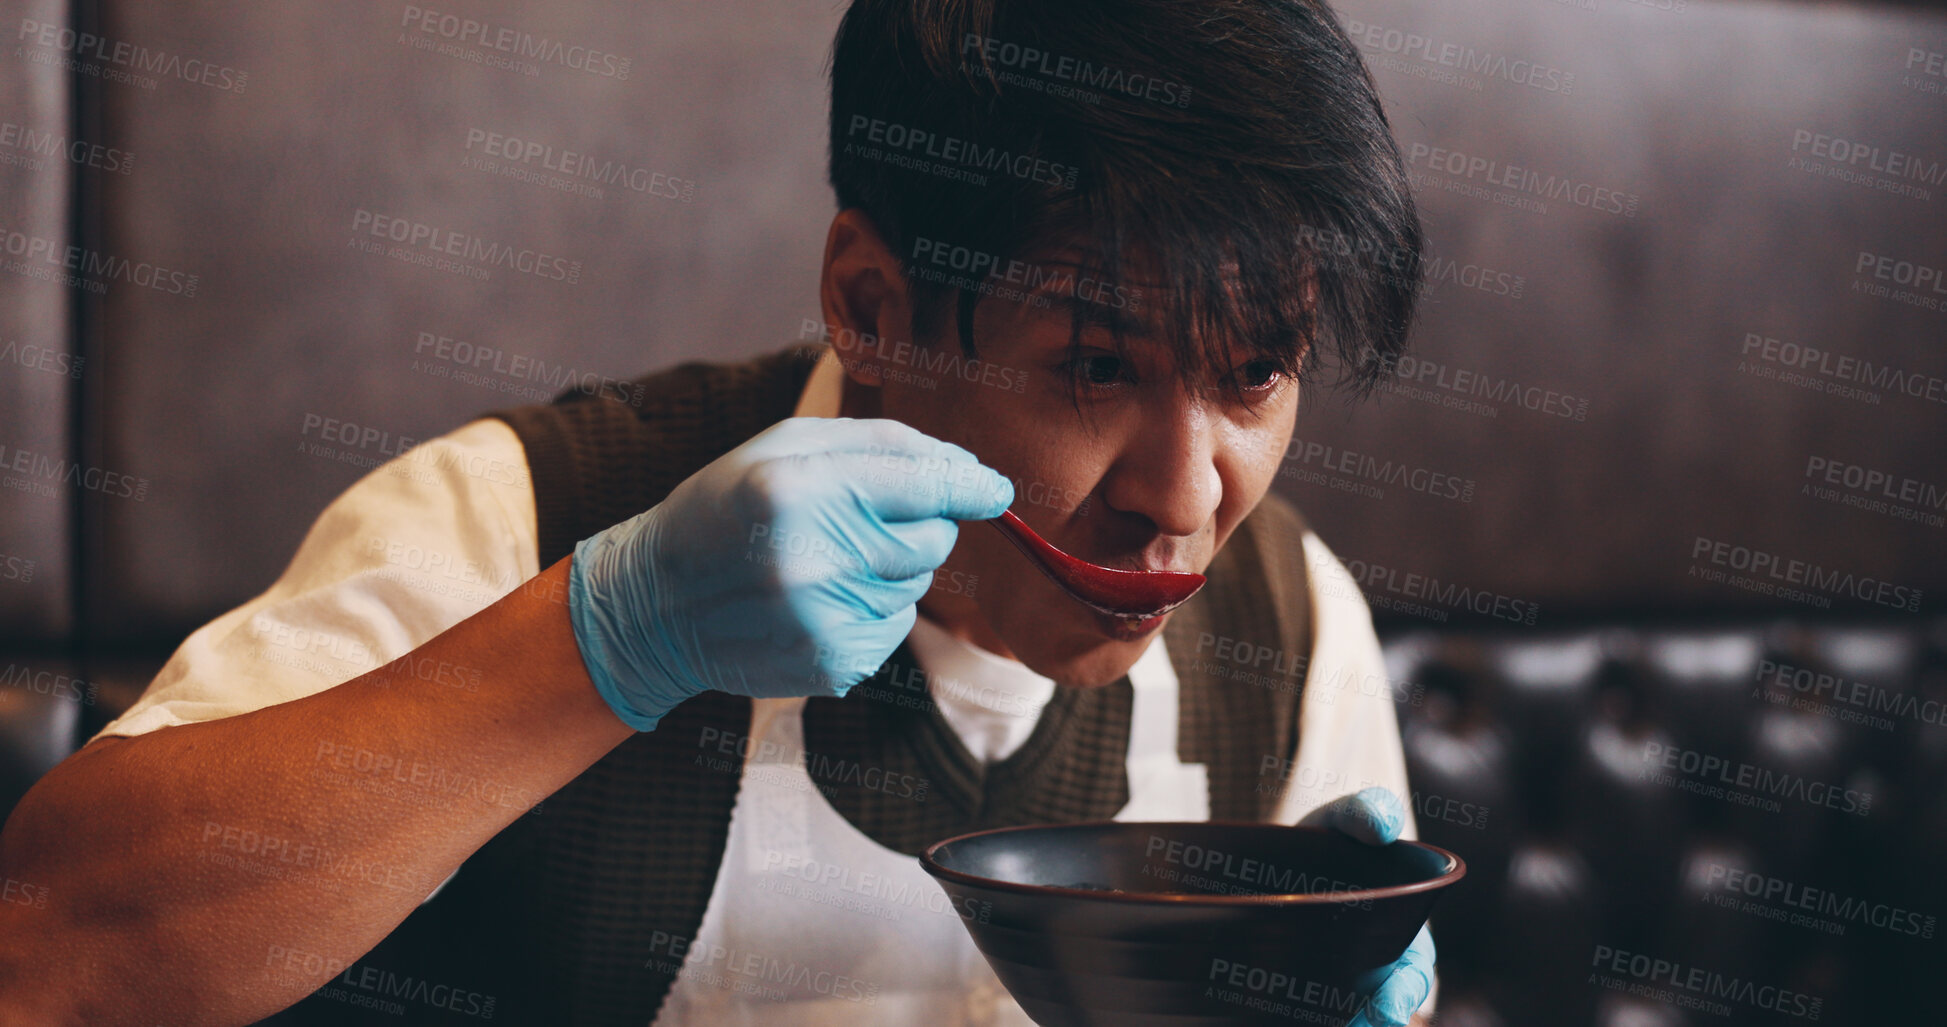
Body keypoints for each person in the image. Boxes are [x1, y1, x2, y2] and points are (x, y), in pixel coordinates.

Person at [0, 0, 1439, 1023]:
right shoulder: (527, 512)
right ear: (872, 305)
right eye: (1097, 365)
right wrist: (604, 639)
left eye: (1254, 375)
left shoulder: (1293, 624)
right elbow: (46, 956)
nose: (1188, 498)